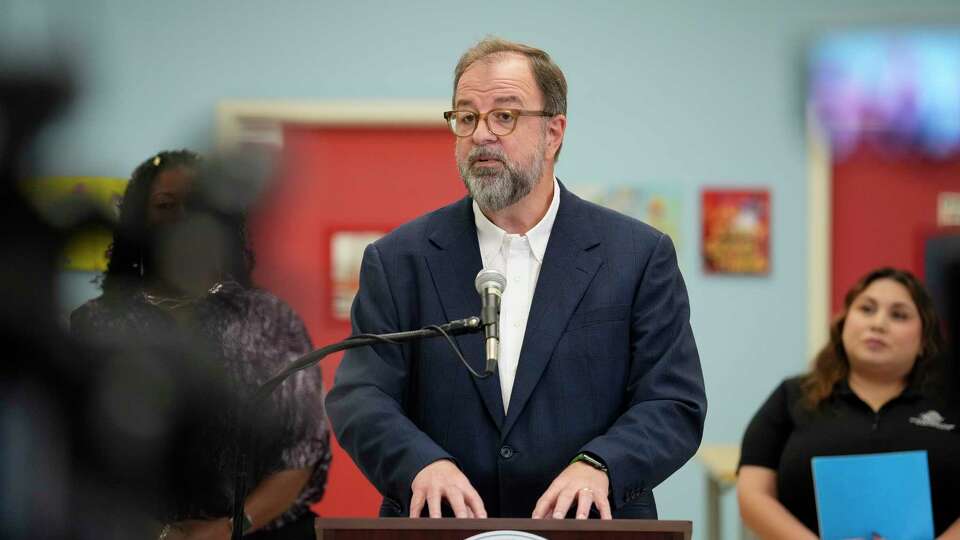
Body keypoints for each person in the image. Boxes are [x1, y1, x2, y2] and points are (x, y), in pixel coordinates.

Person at [325, 37, 706, 520]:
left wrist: (601, 465)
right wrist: (419, 464)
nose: (481, 134)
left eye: (504, 115)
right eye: (466, 117)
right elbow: (360, 394)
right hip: (441, 526)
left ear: (554, 132)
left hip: (591, 527)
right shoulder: (399, 259)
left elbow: (673, 400)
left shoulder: (637, 255)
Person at [70, 150, 331, 540]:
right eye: (164, 205)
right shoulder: (98, 323)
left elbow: (302, 451)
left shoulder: (271, 320)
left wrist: (228, 529)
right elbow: (78, 455)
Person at [737, 267, 960, 539]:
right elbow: (752, 494)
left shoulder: (952, 399)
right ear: (843, 324)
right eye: (866, 309)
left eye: (899, 315)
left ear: (924, 340)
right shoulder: (792, 395)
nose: (878, 323)